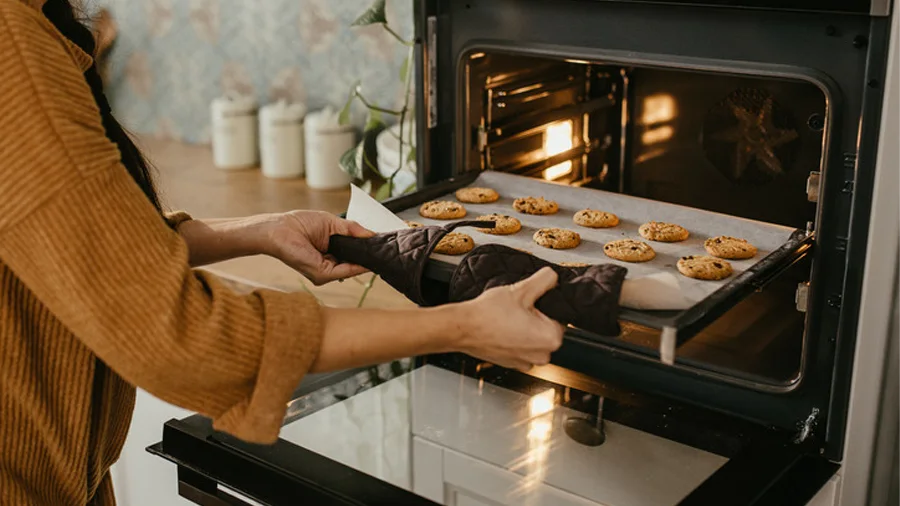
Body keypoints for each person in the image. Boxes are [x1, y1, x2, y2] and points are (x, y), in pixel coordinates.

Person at [0, 0, 566, 504]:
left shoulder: (33, 30)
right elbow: (184, 335)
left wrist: (262, 230)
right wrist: (463, 327)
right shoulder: (13, 51)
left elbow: (89, 250)